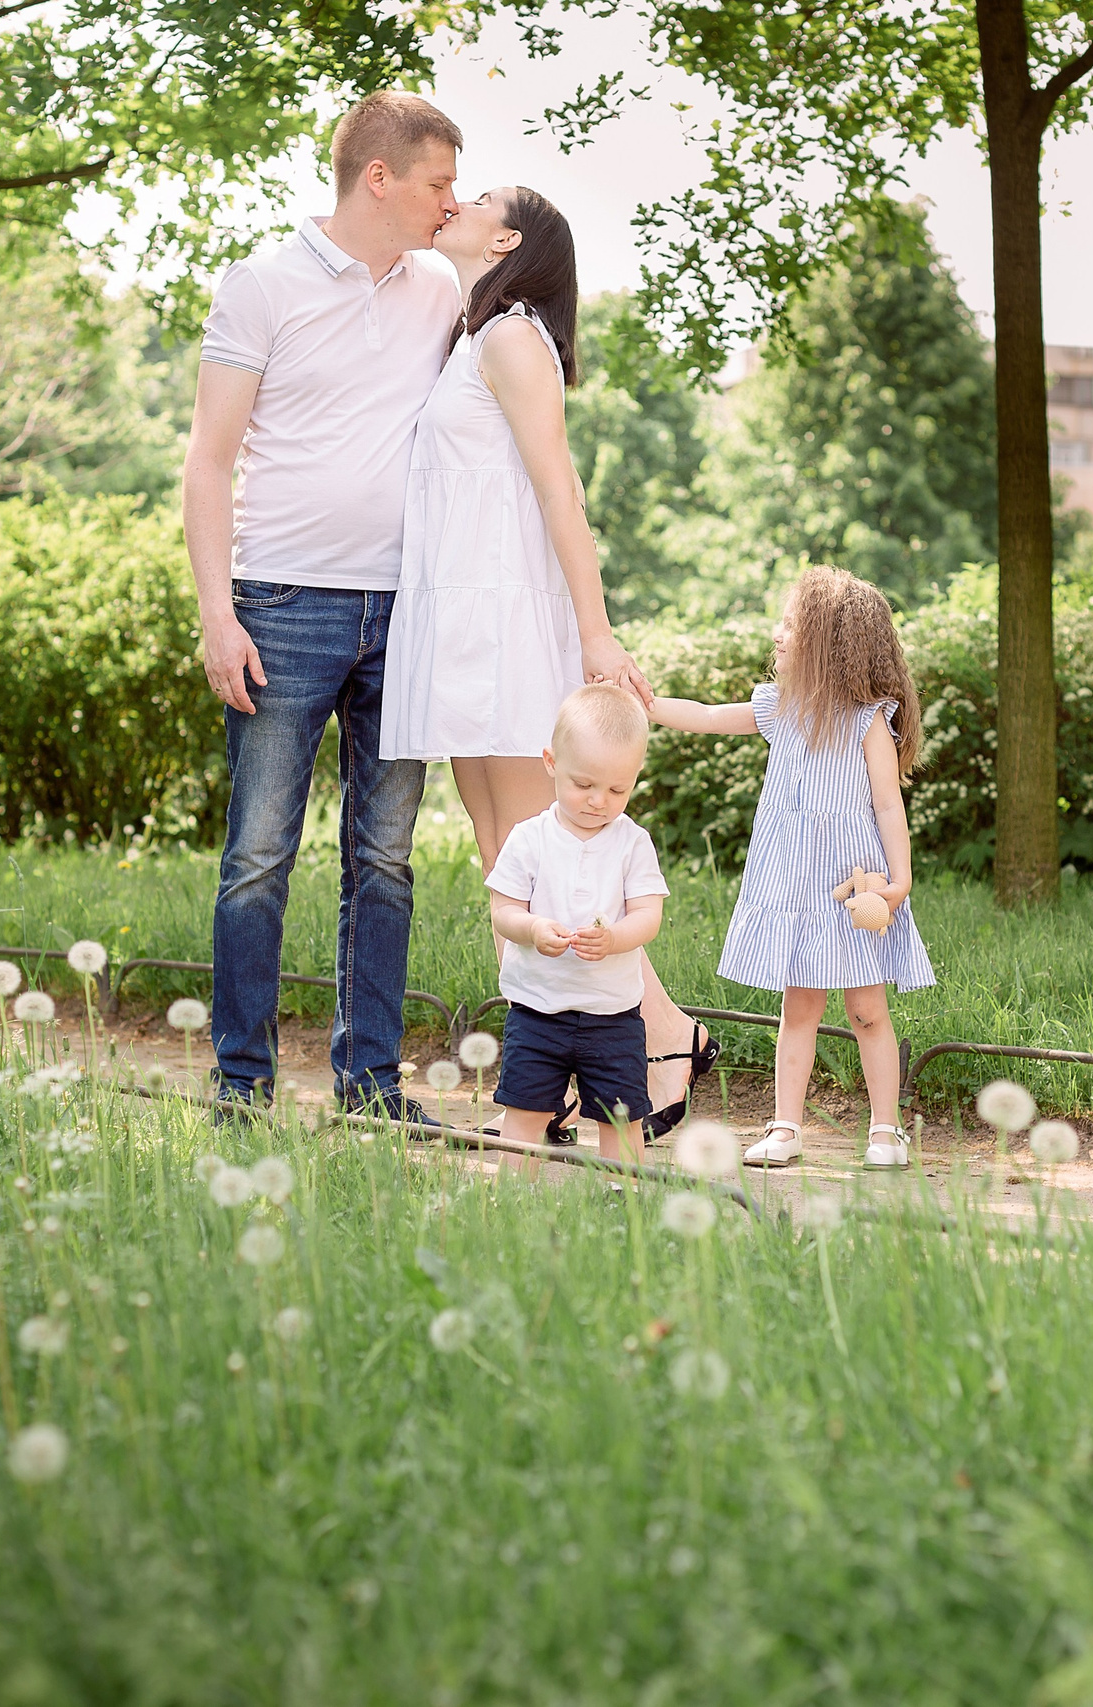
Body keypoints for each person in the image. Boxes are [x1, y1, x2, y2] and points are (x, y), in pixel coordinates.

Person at [379, 182, 714, 1140]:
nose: (454, 202)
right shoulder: (472, 336)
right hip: (461, 620)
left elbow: (560, 492)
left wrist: (595, 630)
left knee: (554, 863)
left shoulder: (517, 335)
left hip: (511, 621)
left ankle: (660, 1033)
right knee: (507, 861)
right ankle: (560, 1070)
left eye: (473, 197)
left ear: (509, 237)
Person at [182, 91, 465, 1122]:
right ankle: (242, 1086)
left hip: (406, 611)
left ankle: (369, 1086)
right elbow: (208, 462)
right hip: (282, 604)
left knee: (383, 862)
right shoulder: (260, 285)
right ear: (378, 178)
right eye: (437, 182)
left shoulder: (439, 284)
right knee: (259, 858)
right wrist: (220, 614)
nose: (452, 200)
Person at [649, 567, 936, 1169]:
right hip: (797, 889)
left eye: (789, 625)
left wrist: (899, 882)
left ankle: (885, 1130)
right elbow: (704, 715)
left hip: (851, 891)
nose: (776, 636)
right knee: (798, 1008)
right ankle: (786, 1127)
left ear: (828, 644)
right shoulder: (782, 709)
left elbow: (888, 803)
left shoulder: (866, 721)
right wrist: (643, 703)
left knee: (867, 1011)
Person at [484, 685, 667, 1163]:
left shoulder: (632, 843)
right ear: (551, 762)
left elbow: (648, 915)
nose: (598, 801)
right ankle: (512, 1203)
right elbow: (504, 911)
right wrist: (533, 930)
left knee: (622, 1120)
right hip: (536, 1011)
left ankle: (624, 1200)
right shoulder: (529, 839)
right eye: (583, 784)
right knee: (523, 1114)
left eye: (616, 790)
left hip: (613, 1016)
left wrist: (614, 940)